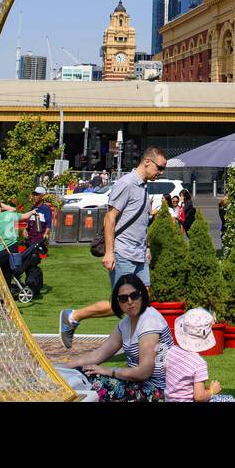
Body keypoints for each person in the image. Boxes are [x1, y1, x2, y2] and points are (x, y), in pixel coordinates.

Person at [58, 147, 168, 347]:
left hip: (139, 253)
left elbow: (139, 223)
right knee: (123, 303)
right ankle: (73, 316)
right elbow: (110, 218)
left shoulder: (143, 187)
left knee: (143, 299)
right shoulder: (126, 184)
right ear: (147, 162)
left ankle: (136, 344)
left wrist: (147, 248)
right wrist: (109, 252)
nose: (161, 173)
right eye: (160, 168)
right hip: (123, 252)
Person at [75, 273, 170, 401]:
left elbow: (144, 371)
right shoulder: (125, 324)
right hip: (137, 385)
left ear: (142, 295)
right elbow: (98, 355)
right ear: (118, 301)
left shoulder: (150, 321)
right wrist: (61, 366)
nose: (130, 302)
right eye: (124, 298)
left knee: (99, 382)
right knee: (82, 374)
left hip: (158, 390)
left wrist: (109, 371)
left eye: (134, 296)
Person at [165, 308, 233, 402]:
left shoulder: (171, 351)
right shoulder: (199, 363)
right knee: (230, 399)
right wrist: (212, 391)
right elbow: (199, 397)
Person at [0, 197, 23, 284]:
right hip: (10, 250)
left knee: (0, 276)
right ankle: (7, 293)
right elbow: (13, 209)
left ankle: (3, 294)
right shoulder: (7, 215)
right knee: (7, 275)